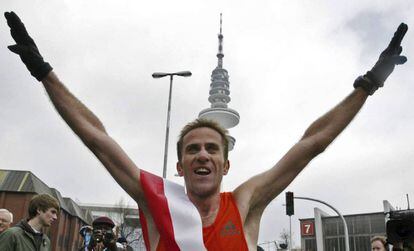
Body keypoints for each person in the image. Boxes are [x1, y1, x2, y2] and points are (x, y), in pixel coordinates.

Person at [4, 11, 408, 251]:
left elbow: (310, 144)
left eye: (212, 149)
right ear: (179, 166)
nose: (202, 154)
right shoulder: (156, 201)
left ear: (226, 164)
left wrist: (368, 84)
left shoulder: (246, 203)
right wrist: (44, 73)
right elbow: (98, 138)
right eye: (193, 149)